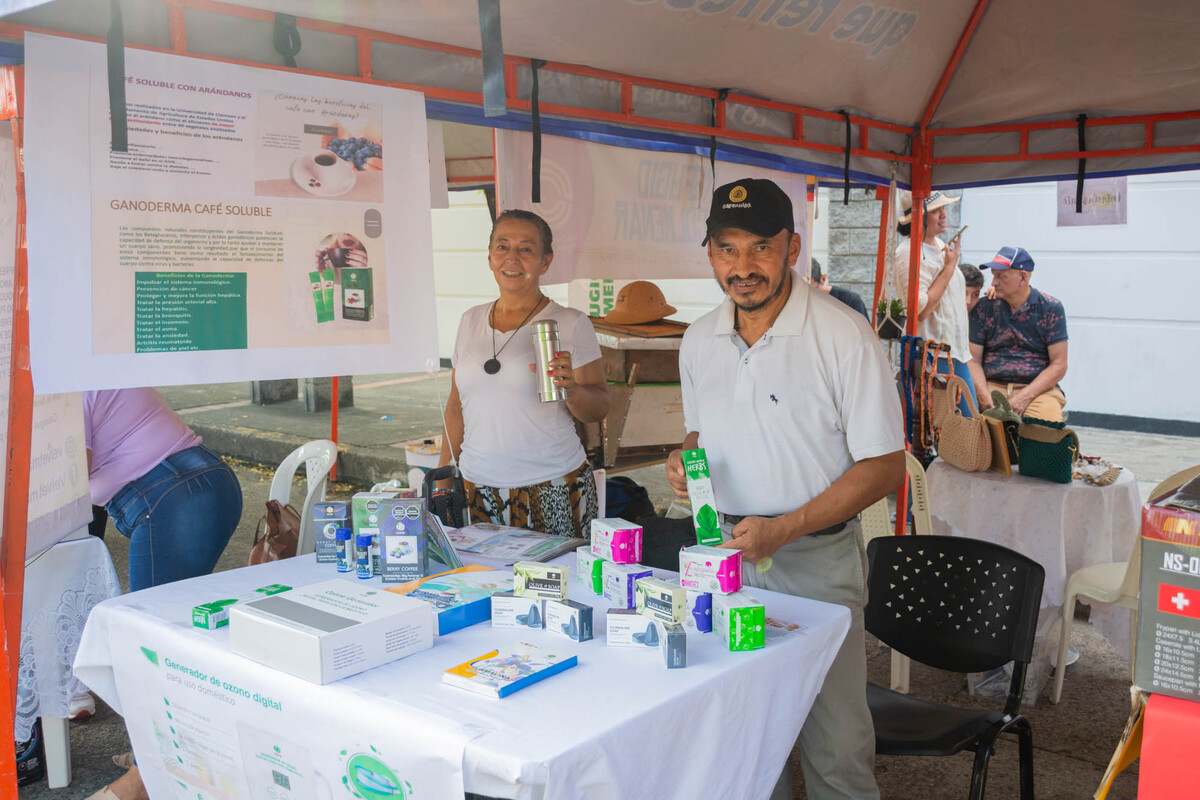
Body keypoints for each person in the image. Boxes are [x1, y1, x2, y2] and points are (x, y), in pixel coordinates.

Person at [666, 178, 904, 800]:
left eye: (760, 248)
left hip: (815, 560)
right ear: (710, 251)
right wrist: (685, 460)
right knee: (746, 740)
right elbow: (703, 433)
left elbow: (884, 468)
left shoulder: (843, 335)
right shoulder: (697, 340)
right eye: (726, 249)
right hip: (726, 561)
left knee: (836, 749)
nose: (742, 268)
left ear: (792, 248)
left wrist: (787, 527)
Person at [85, 388, 243, 800]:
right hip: (196, 486)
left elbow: (65, 476)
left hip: (173, 497)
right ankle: (164, 748)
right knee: (171, 638)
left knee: (151, 646)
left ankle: (145, 778)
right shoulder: (79, 359)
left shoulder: (60, 379)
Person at [439, 209, 610, 537]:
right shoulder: (469, 320)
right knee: (484, 582)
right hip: (478, 486)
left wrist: (571, 388)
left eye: (526, 249)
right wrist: (445, 472)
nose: (512, 258)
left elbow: (599, 407)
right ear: (489, 257)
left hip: (553, 485)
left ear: (546, 261)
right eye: (502, 246)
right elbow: (455, 406)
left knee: (558, 584)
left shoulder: (571, 323)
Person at [892, 190, 975, 408]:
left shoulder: (939, 245)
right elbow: (920, 310)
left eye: (943, 209)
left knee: (968, 427)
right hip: (931, 354)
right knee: (948, 428)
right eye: (937, 210)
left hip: (954, 351)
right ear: (919, 215)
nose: (943, 214)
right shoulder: (908, 251)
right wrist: (948, 268)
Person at [968, 246, 1069, 421]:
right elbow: (973, 359)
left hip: (1037, 391)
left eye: (1001, 276)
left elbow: (1059, 365)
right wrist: (984, 397)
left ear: (1023, 277)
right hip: (991, 386)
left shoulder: (1050, 308)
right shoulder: (984, 308)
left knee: (1045, 429)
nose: (993, 282)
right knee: (977, 429)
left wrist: (1024, 397)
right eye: (993, 275)